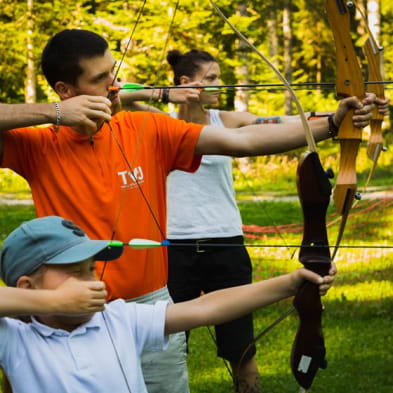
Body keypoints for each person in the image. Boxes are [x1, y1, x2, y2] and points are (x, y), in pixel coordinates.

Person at [0, 29, 375, 393]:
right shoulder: (37, 143)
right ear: (66, 91)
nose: (114, 86)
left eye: (113, 74)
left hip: (145, 308)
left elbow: (239, 139)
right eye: (100, 80)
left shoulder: (145, 127)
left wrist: (331, 123)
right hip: (63, 310)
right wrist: (54, 112)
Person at [120, 49, 390, 393]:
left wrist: (344, 113)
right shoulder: (157, 121)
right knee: (167, 346)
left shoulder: (226, 121)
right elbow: (116, 92)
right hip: (173, 246)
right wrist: (162, 93)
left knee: (242, 348)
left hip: (226, 244)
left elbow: (286, 121)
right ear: (186, 83)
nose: (221, 83)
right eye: (213, 77)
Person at [0, 215, 336, 393]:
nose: (92, 281)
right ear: (27, 286)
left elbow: (206, 308)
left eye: (92, 270)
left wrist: (290, 284)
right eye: (76, 273)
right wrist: (51, 301)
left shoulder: (116, 318)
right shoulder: (15, 339)